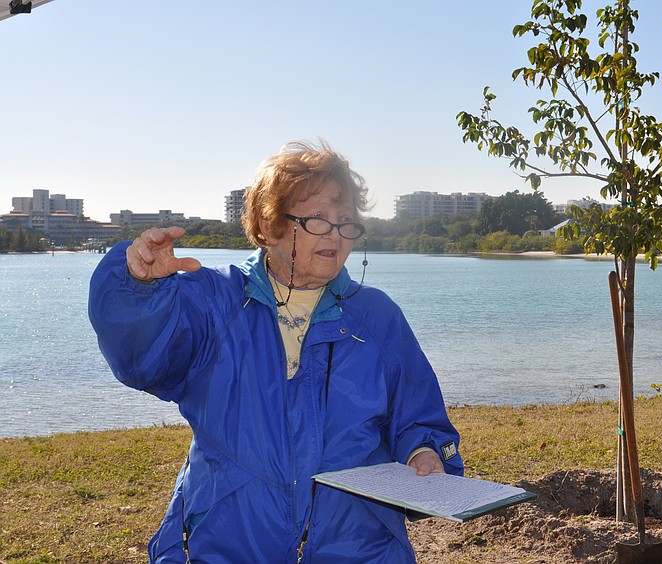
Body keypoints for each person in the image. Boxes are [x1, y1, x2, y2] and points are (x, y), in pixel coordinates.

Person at [88, 141, 463, 563]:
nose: (337, 235)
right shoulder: (214, 300)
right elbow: (142, 360)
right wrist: (138, 288)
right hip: (228, 544)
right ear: (268, 226)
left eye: (346, 222)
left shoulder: (377, 317)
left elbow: (416, 414)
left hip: (360, 549)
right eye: (319, 220)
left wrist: (423, 451)